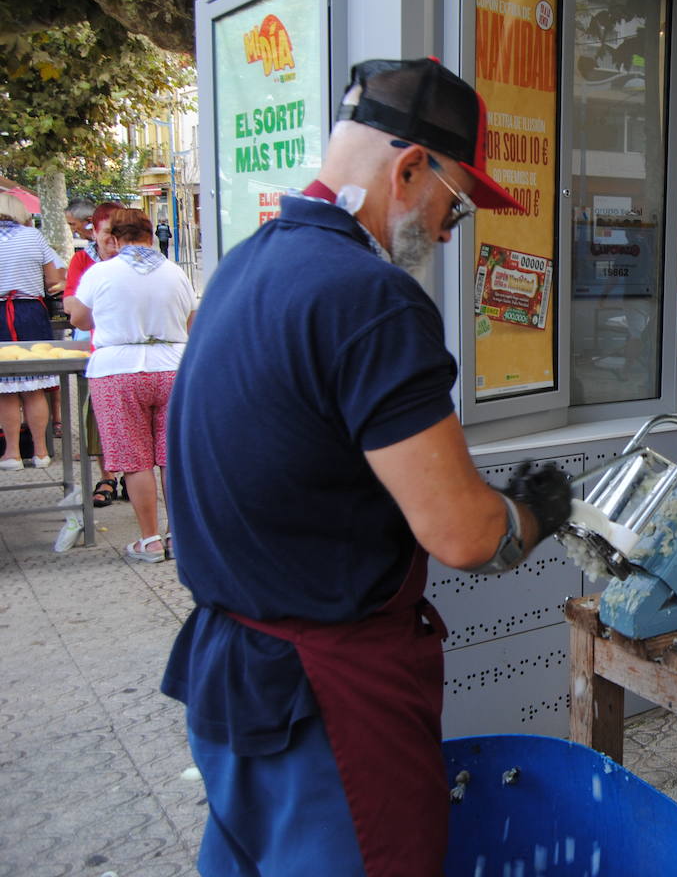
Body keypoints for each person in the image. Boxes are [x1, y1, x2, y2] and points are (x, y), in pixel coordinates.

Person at [160, 58, 573, 876]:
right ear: (410, 166)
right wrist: (534, 513)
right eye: (456, 204)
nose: (454, 232)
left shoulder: (246, 265)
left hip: (234, 679)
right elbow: (461, 535)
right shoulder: (369, 297)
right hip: (324, 701)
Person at [67, 208, 196, 562]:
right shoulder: (175, 273)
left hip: (117, 369)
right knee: (172, 457)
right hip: (173, 367)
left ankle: (150, 540)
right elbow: (190, 319)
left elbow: (78, 316)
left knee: (136, 460)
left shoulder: (102, 272)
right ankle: (178, 538)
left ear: (113, 238)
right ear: (151, 236)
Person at [65, 201, 126, 506]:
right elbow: (72, 307)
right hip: (101, 350)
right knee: (102, 420)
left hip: (136, 355)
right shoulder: (83, 261)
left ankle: (132, 477)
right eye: (106, 236)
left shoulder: (139, 263)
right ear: (95, 231)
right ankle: (109, 476)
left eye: (118, 235)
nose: (113, 243)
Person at [0, 200, 62, 469]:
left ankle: (12, 453)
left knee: (5, 389)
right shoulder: (33, 236)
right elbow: (53, 279)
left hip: (0, 314)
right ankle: (41, 451)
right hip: (31, 313)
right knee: (35, 385)